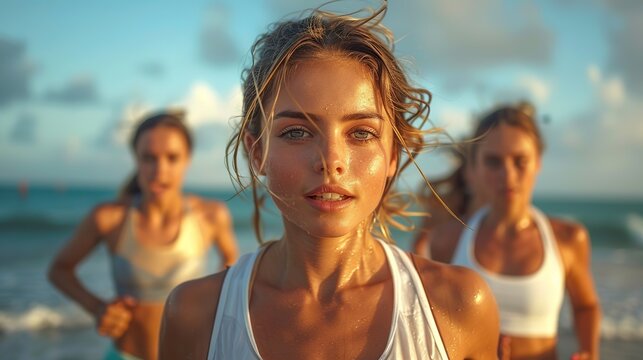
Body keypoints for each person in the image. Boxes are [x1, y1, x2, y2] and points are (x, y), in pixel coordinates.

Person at [159, 5, 500, 360]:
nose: (332, 160)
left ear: (393, 154)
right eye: (296, 132)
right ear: (256, 151)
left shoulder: (457, 306)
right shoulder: (195, 315)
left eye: (361, 133)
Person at [48, 111, 239, 360]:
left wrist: (217, 306)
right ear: (136, 160)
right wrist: (97, 309)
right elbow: (59, 270)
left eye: (172, 158)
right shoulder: (109, 218)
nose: (160, 170)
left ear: (187, 159)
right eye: (149, 158)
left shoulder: (211, 216)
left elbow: (233, 269)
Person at [429, 104, 601, 359]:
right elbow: (436, 322)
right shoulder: (448, 240)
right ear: (473, 169)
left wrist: (589, 351)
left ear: (538, 163)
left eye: (520, 161)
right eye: (493, 162)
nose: (508, 175)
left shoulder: (567, 239)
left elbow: (586, 306)